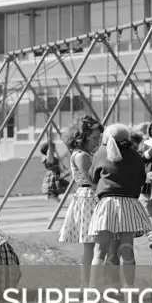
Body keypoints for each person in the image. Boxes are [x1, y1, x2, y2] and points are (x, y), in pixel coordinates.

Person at [88, 124, 152, 288]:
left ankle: (92, 289)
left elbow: (93, 178)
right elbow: (140, 179)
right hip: (128, 204)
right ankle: (129, 287)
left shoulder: (100, 153)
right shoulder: (136, 156)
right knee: (127, 249)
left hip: (107, 204)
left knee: (100, 250)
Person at [57, 116, 103, 285]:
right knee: (91, 246)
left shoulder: (89, 154)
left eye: (99, 138)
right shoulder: (81, 156)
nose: (97, 142)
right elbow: (92, 180)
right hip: (89, 198)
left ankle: (92, 283)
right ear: (82, 136)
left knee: (96, 246)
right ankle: (87, 285)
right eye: (94, 138)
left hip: (93, 197)